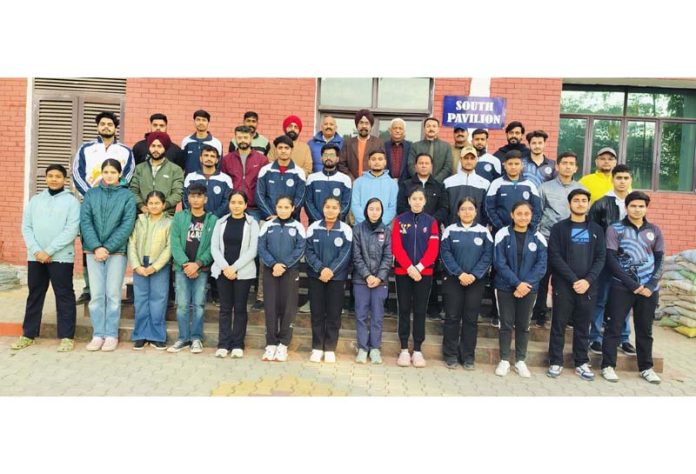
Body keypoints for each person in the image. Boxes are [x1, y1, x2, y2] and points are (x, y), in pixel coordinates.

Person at [12, 164, 80, 352]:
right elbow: (26, 227)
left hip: (61, 258)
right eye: (50, 176)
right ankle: (28, 334)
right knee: (35, 294)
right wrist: (36, 250)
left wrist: (49, 250)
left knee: (64, 295)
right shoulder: (35, 200)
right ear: (46, 178)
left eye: (58, 176)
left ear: (65, 179)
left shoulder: (72, 202)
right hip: (35, 257)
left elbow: (71, 230)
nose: (54, 179)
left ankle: (67, 336)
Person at [601, 191, 665, 384]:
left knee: (645, 330)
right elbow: (611, 259)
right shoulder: (615, 229)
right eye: (633, 206)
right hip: (622, 287)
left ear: (646, 208)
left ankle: (646, 367)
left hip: (648, 290)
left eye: (641, 206)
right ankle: (608, 366)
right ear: (627, 207)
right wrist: (633, 285)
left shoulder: (654, 230)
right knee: (614, 327)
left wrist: (651, 284)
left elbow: (660, 260)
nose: (637, 209)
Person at [72, 111, 135, 304]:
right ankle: (89, 288)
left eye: (110, 124)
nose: (106, 126)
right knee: (89, 243)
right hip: (90, 200)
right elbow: (76, 173)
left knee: (114, 238)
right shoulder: (86, 148)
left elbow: (129, 174)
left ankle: (109, 288)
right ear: (97, 126)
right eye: (102, 124)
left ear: (116, 127)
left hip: (116, 200)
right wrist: (91, 195)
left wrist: (116, 192)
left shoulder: (125, 150)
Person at [546, 189, 605, 380]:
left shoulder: (596, 230)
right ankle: (555, 361)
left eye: (584, 201)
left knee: (583, 326)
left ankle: (581, 362)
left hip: (588, 286)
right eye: (576, 200)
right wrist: (573, 280)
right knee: (558, 325)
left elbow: (601, 257)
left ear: (588, 204)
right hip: (564, 285)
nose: (580, 203)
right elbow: (555, 256)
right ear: (569, 204)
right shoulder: (559, 228)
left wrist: (587, 280)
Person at [80, 159, 136, 352]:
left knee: (112, 294)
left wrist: (108, 247)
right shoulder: (91, 194)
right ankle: (98, 334)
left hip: (117, 252)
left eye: (113, 172)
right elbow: (85, 221)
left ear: (119, 174)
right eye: (106, 172)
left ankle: (111, 334)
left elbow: (127, 224)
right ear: (101, 173)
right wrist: (96, 247)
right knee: (96, 295)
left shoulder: (127, 196)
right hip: (93, 251)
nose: (109, 175)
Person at [493, 201, 547, 377]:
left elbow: (541, 265)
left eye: (526, 214)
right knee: (506, 324)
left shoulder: (538, 237)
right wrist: (517, 283)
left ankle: (520, 361)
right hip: (505, 287)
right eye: (519, 213)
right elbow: (499, 262)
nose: (523, 217)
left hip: (529, 289)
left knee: (524, 325)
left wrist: (525, 285)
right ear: (512, 215)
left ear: (531, 216)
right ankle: (504, 360)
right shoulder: (503, 234)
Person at [533, 151, 586, 327]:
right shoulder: (545, 187)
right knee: (543, 276)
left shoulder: (581, 190)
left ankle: (566, 315)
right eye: (564, 163)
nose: (568, 166)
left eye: (572, 163)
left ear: (576, 168)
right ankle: (539, 313)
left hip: (572, 241)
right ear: (558, 165)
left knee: (566, 278)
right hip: (547, 238)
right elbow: (537, 213)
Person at [440, 197, 493, 370]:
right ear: (458, 212)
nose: (467, 212)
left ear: (476, 211)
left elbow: (487, 256)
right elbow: (445, 254)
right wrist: (460, 273)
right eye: (463, 209)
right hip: (454, 280)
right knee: (452, 317)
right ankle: (450, 354)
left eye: (470, 209)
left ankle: (468, 356)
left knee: (470, 319)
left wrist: (474, 275)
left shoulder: (484, 232)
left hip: (475, 282)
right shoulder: (449, 230)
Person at [587, 164, 635, 355]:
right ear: (613, 179)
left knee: (624, 300)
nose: (622, 181)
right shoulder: (601, 203)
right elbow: (593, 233)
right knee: (601, 299)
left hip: (629, 261)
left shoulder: (636, 202)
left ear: (631, 179)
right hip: (606, 260)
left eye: (626, 178)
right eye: (619, 178)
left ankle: (624, 338)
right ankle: (595, 338)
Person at [391, 188, 440, 368]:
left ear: (425, 201)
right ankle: (404, 349)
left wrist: (419, 267)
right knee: (403, 308)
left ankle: (418, 349)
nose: (417, 202)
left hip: (424, 273)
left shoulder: (432, 222)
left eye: (420, 198)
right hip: (403, 272)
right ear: (409, 200)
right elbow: (396, 246)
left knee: (420, 310)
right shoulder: (399, 221)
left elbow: (433, 249)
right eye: (414, 198)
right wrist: (409, 267)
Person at [167, 182, 218, 354]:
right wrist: (185, 264)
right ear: (187, 198)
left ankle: (196, 338)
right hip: (182, 269)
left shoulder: (212, 220)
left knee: (198, 305)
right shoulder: (180, 217)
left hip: (201, 270)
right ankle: (182, 338)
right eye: (192, 196)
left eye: (199, 196)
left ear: (205, 199)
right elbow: (174, 242)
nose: (195, 199)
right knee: (181, 305)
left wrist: (198, 264)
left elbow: (213, 246)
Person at [210, 191, 259, 359]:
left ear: (246, 205)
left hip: (243, 273)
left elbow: (253, 250)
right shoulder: (221, 222)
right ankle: (223, 344)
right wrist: (225, 268)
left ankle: (238, 344)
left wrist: (235, 268)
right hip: (223, 272)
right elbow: (214, 248)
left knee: (239, 308)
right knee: (225, 309)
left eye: (240, 202)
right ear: (229, 204)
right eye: (233, 202)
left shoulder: (252, 223)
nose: (236, 205)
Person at [258, 196, 306, 362]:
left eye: (287, 207)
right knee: (270, 306)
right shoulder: (268, 225)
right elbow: (261, 247)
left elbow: (300, 248)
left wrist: (284, 265)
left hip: (290, 271)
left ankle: (283, 344)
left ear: (293, 208)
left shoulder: (298, 226)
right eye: (280, 207)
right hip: (270, 271)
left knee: (288, 308)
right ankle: (271, 343)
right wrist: (273, 264)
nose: (283, 210)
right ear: (275, 208)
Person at [306, 196, 353, 363]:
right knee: (317, 312)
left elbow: (346, 254)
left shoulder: (346, 229)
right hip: (316, 277)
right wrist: (321, 269)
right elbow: (309, 251)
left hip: (336, 278)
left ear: (340, 210)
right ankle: (317, 347)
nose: (331, 210)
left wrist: (331, 270)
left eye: (334, 207)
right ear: (322, 208)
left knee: (333, 314)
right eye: (328, 207)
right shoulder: (313, 228)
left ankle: (331, 347)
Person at [127, 191, 172, 350]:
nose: (154, 206)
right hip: (140, 263)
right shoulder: (139, 221)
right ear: (146, 205)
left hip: (159, 264)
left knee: (158, 300)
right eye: (151, 203)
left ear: (163, 205)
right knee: (141, 300)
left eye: (157, 203)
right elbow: (131, 243)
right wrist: (136, 265)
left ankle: (157, 335)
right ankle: (140, 335)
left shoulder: (169, 222)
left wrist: (155, 266)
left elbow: (169, 247)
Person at [352, 198, 392, 365]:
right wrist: (367, 275)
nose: (374, 212)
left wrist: (379, 277)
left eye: (377, 209)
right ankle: (362, 348)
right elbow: (356, 255)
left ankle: (375, 348)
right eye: (371, 209)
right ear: (366, 211)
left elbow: (388, 256)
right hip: (361, 280)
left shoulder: (386, 231)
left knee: (377, 316)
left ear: (381, 211)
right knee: (361, 315)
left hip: (380, 282)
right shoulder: (358, 229)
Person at [485, 149, 542, 232]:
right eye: (510, 164)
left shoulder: (530, 185)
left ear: (522, 165)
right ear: (504, 165)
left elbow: (537, 210)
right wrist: (500, 227)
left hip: (524, 232)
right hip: (500, 232)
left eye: (516, 164)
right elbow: (489, 208)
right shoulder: (496, 183)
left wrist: (529, 228)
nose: (513, 167)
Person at [130, 131, 184, 216]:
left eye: (159, 146)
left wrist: (162, 206)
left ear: (165, 148)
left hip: (166, 215)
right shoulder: (139, 168)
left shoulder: (175, 169)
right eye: (153, 146)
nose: (156, 149)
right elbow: (133, 191)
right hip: (142, 215)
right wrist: (142, 207)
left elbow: (178, 193)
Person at [220, 125, 269, 220]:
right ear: (235, 139)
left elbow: (265, 186)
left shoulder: (262, 160)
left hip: (253, 208)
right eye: (239, 137)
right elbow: (224, 185)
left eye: (246, 137)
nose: (243, 140)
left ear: (251, 138)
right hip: (232, 207)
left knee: (253, 234)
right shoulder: (226, 160)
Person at [256, 135, 307, 221]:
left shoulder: (299, 172)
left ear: (291, 150)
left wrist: (286, 215)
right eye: (280, 148)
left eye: (286, 148)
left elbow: (300, 198)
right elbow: (259, 195)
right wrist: (270, 215)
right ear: (276, 150)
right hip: (268, 219)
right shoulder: (265, 170)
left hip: (292, 220)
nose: (283, 151)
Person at [396, 152, 449, 225]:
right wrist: (416, 219)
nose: (424, 166)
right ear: (416, 166)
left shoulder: (439, 186)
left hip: (432, 227)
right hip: (410, 227)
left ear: (431, 167)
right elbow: (401, 207)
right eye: (421, 163)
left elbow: (444, 209)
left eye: (427, 163)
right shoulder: (406, 185)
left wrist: (430, 221)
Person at [305, 144, 352, 224]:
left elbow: (346, 204)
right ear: (321, 158)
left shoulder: (345, 179)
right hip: (315, 224)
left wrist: (333, 220)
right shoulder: (312, 178)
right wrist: (319, 221)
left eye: (331, 155)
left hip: (338, 225)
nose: (328, 157)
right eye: (325, 155)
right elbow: (308, 202)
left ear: (337, 159)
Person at [443, 145, 490, 225]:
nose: (469, 161)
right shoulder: (448, 182)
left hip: (477, 230)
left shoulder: (485, 183)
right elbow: (444, 209)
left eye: (472, 158)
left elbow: (486, 210)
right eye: (466, 158)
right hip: (452, 228)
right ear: (460, 159)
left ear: (476, 160)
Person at [184, 144, 233, 218]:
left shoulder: (226, 179)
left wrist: (213, 217)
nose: (209, 158)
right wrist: (196, 215)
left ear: (217, 160)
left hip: (218, 221)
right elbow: (185, 199)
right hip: (194, 219)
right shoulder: (191, 177)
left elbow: (227, 202)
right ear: (201, 158)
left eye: (212, 156)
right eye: (206, 155)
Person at [351, 150, 398, 226]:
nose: (377, 162)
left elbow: (393, 207)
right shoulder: (358, 182)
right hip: (362, 227)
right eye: (373, 159)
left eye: (380, 159)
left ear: (385, 162)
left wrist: (380, 223)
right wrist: (366, 223)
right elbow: (355, 205)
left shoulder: (392, 184)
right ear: (369, 162)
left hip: (383, 227)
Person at [338, 109, 385, 180]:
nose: (364, 126)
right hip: (353, 183)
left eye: (367, 123)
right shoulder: (348, 143)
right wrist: (351, 179)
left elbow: (382, 164)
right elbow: (341, 164)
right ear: (357, 125)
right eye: (361, 123)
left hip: (372, 182)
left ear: (371, 126)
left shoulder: (378, 143)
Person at [407, 117, 453, 183]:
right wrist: (420, 180)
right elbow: (411, 165)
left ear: (438, 129)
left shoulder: (446, 146)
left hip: (439, 185)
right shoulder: (415, 146)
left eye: (434, 126)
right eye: (428, 126)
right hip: (418, 184)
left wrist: (434, 181)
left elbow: (448, 167)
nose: (431, 129)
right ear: (424, 129)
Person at [181, 109, 223, 174]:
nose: (201, 123)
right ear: (194, 121)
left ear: (208, 123)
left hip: (208, 181)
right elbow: (182, 164)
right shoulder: (186, 141)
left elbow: (219, 165)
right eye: (198, 120)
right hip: (190, 181)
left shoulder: (216, 143)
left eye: (204, 120)